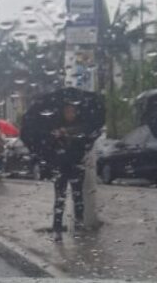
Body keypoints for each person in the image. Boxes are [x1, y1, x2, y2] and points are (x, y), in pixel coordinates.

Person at [50, 103, 97, 242]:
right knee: (59, 198)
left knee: (78, 197)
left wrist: (70, 134)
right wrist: (58, 136)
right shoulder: (56, 126)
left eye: (73, 111)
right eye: (67, 111)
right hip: (61, 167)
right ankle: (57, 229)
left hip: (76, 165)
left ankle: (79, 225)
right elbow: (50, 145)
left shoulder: (81, 126)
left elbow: (87, 140)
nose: (70, 114)